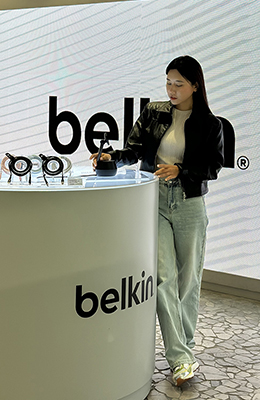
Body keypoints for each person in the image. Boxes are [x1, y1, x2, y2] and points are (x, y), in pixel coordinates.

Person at [90, 55, 224, 386]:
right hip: (156, 200)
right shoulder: (153, 112)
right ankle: (180, 358)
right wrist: (112, 157)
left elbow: (213, 167)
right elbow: (133, 151)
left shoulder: (210, 124)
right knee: (164, 277)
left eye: (179, 84)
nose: (171, 89)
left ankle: (184, 348)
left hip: (189, 202)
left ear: (195, 86)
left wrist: (182, 170)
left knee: (188, 281)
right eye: (168, 82)